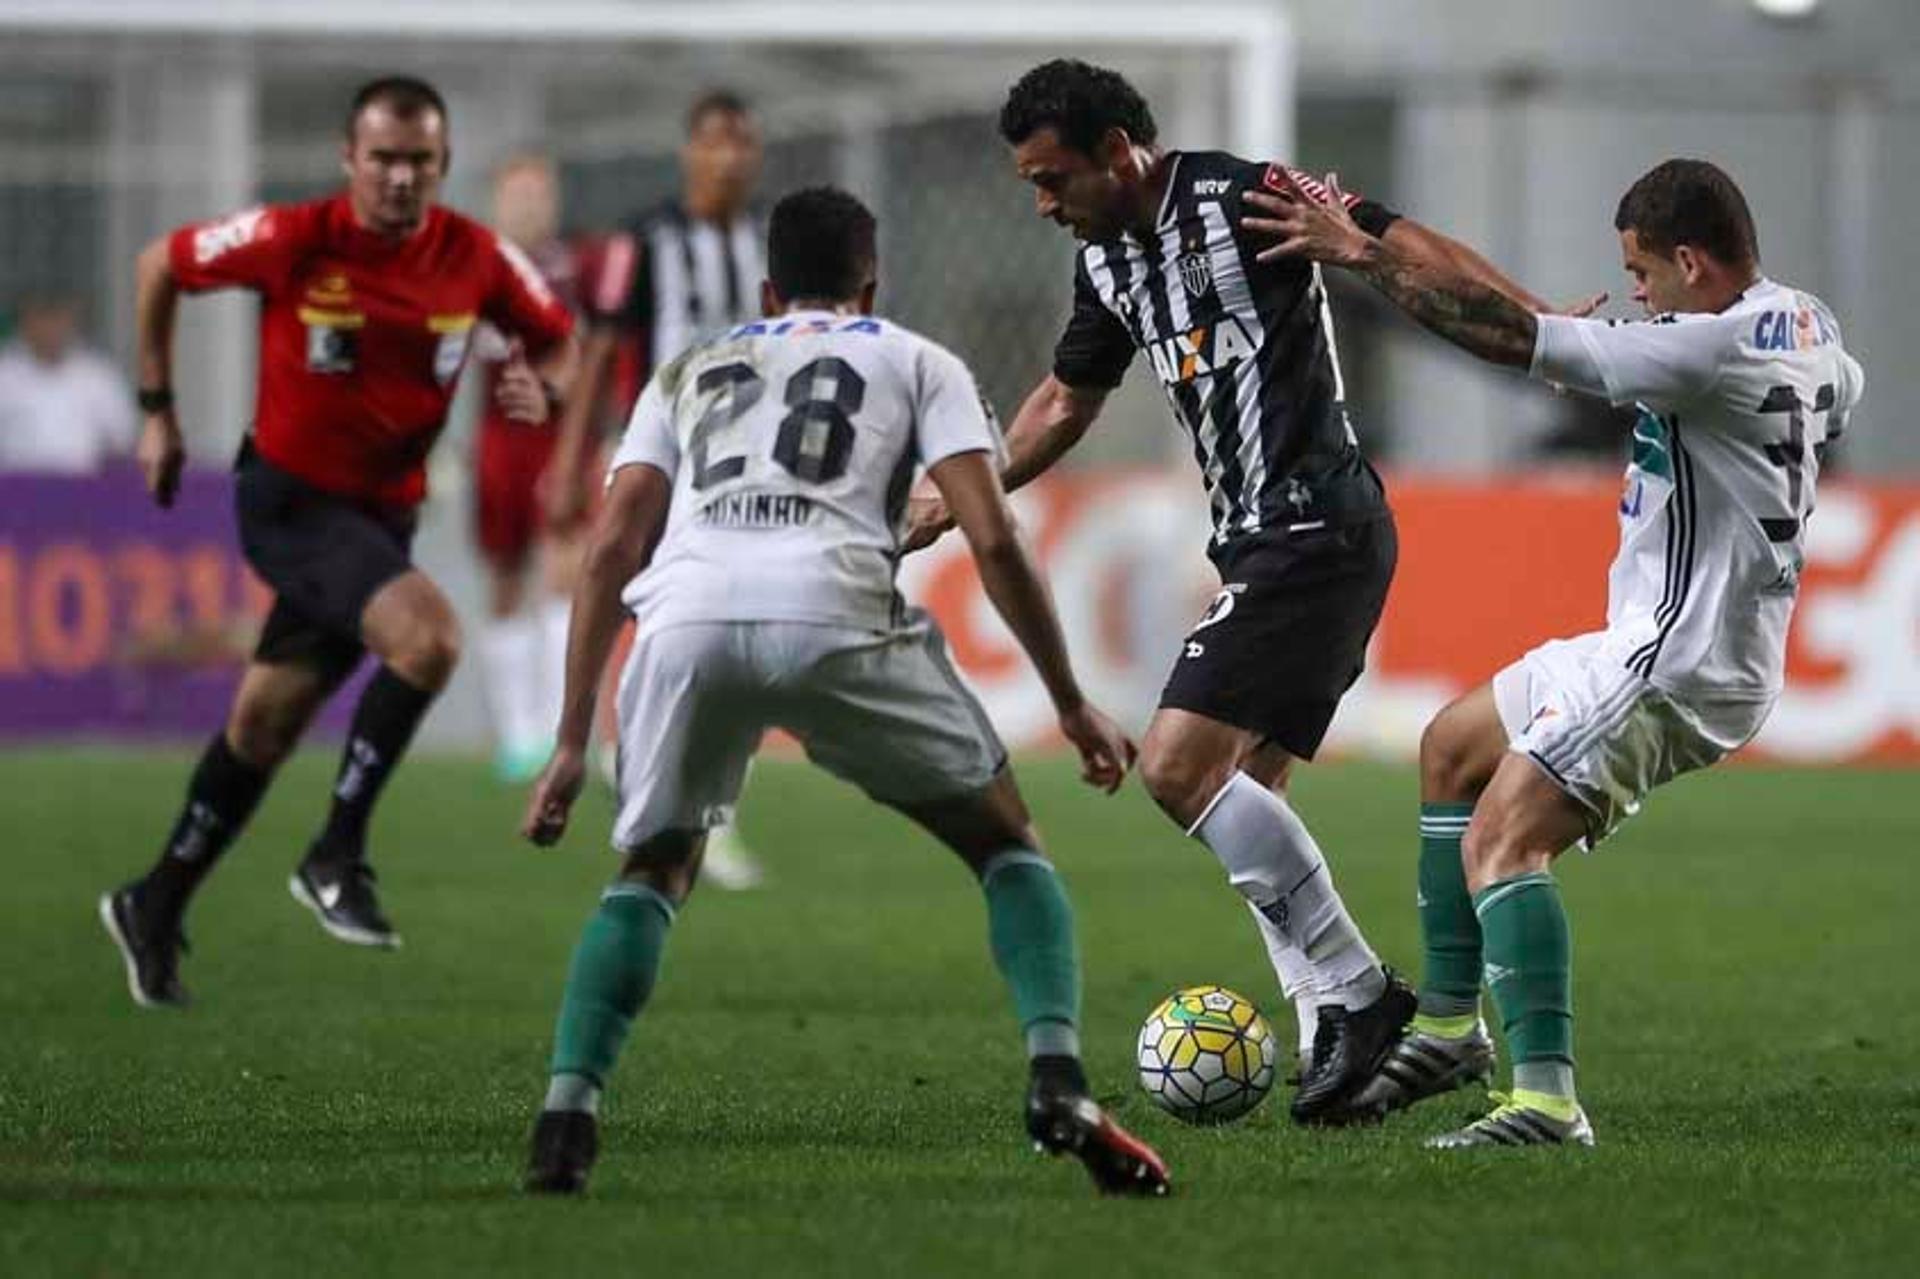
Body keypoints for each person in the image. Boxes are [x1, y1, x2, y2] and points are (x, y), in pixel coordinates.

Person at [908, 58, 1546, 1125]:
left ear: (1119, 151)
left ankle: (1362, 995)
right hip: (1261, 541)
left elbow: (1397, 238)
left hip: (1318, 523)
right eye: (1029, 183)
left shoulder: (1242, 197)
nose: (1043, 202)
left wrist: (1536, 321)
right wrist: (960, 489)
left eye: (1052, 177)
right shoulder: (1109, 264)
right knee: (1250, 789)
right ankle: (1329, 1035)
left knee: (1176, 765)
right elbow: (1067, 398)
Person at [517, 186, 1169, 1199]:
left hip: (687, 622)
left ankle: (566, 1117)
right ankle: (1057, 1075)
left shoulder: (687, 368)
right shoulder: (915, 359)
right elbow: (993, 537)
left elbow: (609, 547)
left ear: (769, 289)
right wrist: (1072, 699)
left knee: (651, 869)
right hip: (837, 615)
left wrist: (569, 742)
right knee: (1004, 843)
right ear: (873, 284)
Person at [1244, 158, 1865, 1146]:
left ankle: (1544, 1100)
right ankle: (1449, 1028)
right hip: (1668, 635)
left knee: (1504, 841)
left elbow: (1504, 338)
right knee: (1451, 744)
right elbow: (1834, 390)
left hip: (1675, 655)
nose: (1633, 291)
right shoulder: (1809, 326)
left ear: (1692, 261)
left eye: (1643, 270)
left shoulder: (1699, 353)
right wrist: (1361, 215)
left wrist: (1358, 256)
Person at [98, 75, 578, 1007]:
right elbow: (160, 262)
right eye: (384, 159)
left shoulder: (474, 257)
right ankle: (336, 853)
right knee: (431, 637)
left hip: (380, 517)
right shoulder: (295, 237)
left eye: (421, 162)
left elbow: (558, 339)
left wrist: (544, 386)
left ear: (442, 166)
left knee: (262, 725)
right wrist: (156, 411)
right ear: (349, 159)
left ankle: (154, 901)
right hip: (290, 501)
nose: (401, 178)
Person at [553, 87, 768, 890]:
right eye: (715, 141)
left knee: (723, 622)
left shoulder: (768, 239)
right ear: (690, 153)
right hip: (662, 451)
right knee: (658, 607)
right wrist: (570, 457)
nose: (730, 157)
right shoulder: (644, 240)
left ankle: (679, 783)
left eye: (743, 142)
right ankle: (656, 769)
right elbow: (600, 352)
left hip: (754, 456)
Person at [470, 153, 584, 783]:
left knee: (566, 568)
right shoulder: (474, 269)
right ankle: (516, 735)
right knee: (507, 577)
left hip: (557, 437)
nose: (530, 206)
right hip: (498, 439)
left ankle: (553, 728)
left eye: (540, 194)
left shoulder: (574, 271)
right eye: (517, 195)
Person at [0, 294, 137, 473]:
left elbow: (122, 439)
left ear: (72, 321)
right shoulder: (5, 372)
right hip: (14, 490)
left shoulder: (98, 375)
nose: (50, 327)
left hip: (83, 490)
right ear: (26, 321)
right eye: (42, 318)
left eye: (58, 318)